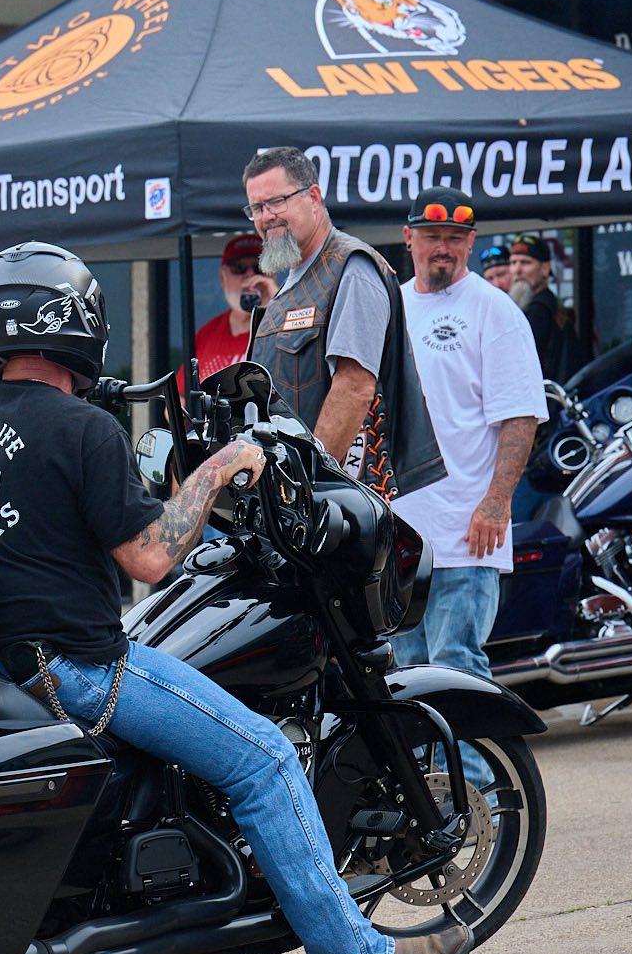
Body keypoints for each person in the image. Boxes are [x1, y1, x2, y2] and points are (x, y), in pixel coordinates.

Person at [0, 241, 472, 954]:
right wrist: (226, 464)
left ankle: (78, 949)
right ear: (71, 324)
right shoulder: (82, 427)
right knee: (263, 758)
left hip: (6, 666)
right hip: (81, 668)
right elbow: (154, 554)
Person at [389, 192, 547, 677]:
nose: (443, 247)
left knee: (457, 672)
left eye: (455, 239)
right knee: (404, 682)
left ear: (471, 243)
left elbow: (520, 416)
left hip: (465, 534)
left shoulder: (494, 311)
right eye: (433, 236)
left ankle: (478, 760)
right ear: (408, 238)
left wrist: (497, 503)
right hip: (397, 538)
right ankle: (429, 761)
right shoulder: (388, 307)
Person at [238, 146, 443, 501]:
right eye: (257, 207)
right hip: (292, 510)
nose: (266, 216)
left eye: (277, 201)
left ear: (313, 197)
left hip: (337, 509)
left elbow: (354, 386)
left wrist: (308, 488)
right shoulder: (289, 286)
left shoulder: (353, 268)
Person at [190, 233, 275, 382]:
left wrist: (276, 302)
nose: (249, 275)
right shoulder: (207, 334)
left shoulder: (282, 326)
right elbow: (182, 396)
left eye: (259, 267)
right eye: (239, 268)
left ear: (272, 275)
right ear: (223, 278)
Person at [507, 234, 584, 383]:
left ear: (545, 269)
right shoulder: (550, 304)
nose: (517, 270)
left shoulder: (539, 310)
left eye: (525, 262)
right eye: (513, 262)